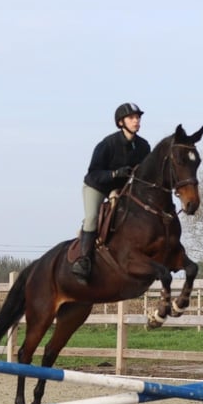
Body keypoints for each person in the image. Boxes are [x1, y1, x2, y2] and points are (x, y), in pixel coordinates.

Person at [72, 102, 151, 283]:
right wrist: (115, 173)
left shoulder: (143, 147)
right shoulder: (107, 144)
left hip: (120, 189)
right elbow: (93, 173)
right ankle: (84, 261)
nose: (136, 121)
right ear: (121, 122)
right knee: (92, 217)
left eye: (138, 117)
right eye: (132, 118)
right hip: (96, 187)